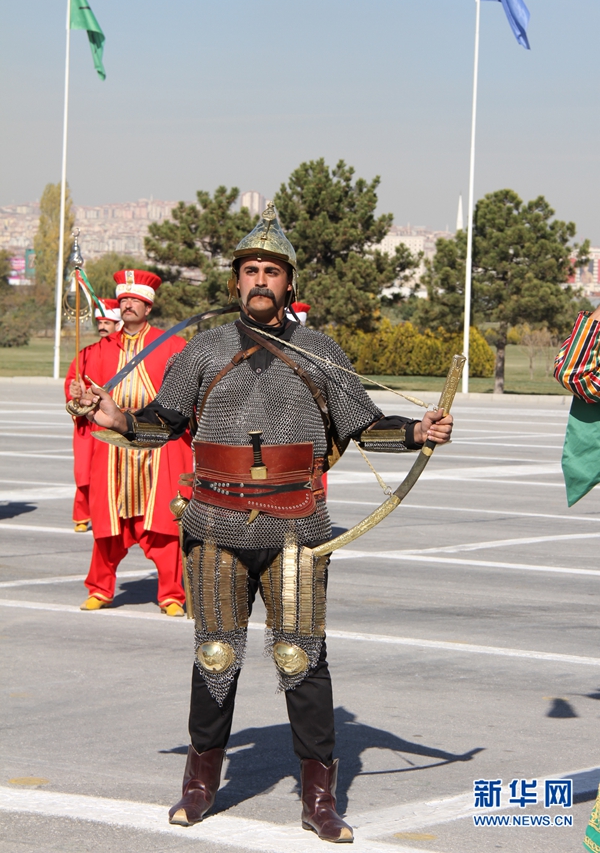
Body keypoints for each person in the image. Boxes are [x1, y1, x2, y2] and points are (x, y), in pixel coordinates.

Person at [80, 204, 453, 842]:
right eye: (250, 269)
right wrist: (119, 421)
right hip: (216, 525)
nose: (260, 280)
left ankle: (320, 796)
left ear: (289, 285)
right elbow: (164, 421)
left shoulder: (318, 352)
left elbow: (364, 426)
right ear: (235, 283)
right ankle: (200, 784)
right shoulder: (202, 351)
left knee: (300, 659)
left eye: (272, 271)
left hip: (297, 528)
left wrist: (418, 429)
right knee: (216, 655)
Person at [70, 270, 192, 616]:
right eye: (122, 300)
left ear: (148, 307)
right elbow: (82, 406)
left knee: (164, 526)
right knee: (108, 526)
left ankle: (171, 594)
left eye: (133, 300)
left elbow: (187, 398)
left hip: (158, 446)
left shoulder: (172, 346)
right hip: (112, 450)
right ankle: (100, 588)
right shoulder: (97, 350)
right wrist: (79, 400)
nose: (126, 305)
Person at [65, 299, 122, 532]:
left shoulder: (126, 354)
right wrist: (74, 392)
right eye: (100, 322)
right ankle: (82, 514)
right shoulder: (85, 353)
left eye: (107, 322)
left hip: (115, 422)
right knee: (84, 472)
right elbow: (71, 381)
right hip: (88, 424)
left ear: (118, 324)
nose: (102, 326)